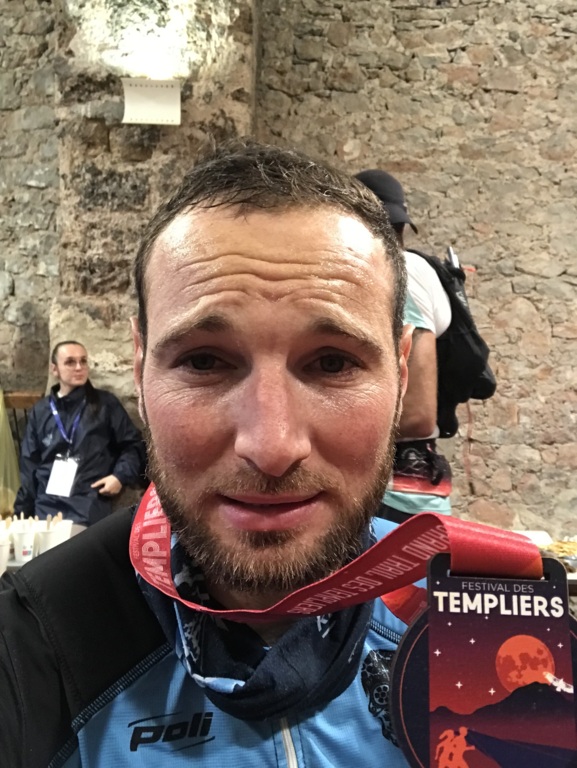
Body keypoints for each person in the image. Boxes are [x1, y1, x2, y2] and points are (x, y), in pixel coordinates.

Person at [355, 169, 453, 524]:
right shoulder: (418, 269)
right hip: (412, 486)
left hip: (395, 491)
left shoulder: (399, 273)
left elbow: (417, 415)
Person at [13, 340, 145, 527]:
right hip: (46, 506)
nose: (78, 367)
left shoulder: (105, 404)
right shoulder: (41, 411)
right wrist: (20, 516)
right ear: (54, 369)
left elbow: (133, 445)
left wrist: (119, 477)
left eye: (83, 361)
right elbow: (29, 466)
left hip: (89, 503)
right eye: (70, 362)